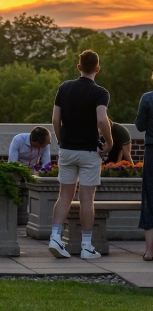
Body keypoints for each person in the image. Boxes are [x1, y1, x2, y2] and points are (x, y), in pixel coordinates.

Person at [49, 49, 112, 261]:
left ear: (79, 67)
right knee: (87, 199)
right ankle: (86, 246)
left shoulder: (64, 88)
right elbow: (102, 120)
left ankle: (55, 237)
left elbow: (55, 119)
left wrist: (60, 141)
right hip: (88, 151)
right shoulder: (100, 93)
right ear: (97, 68)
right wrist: (109, 143)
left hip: (67, 149)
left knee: (64, 196)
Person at [135, 83, 153, 260]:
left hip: (152, 151)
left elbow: (139, 126)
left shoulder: (147, 98)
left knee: (149, 197)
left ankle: (149, 251)